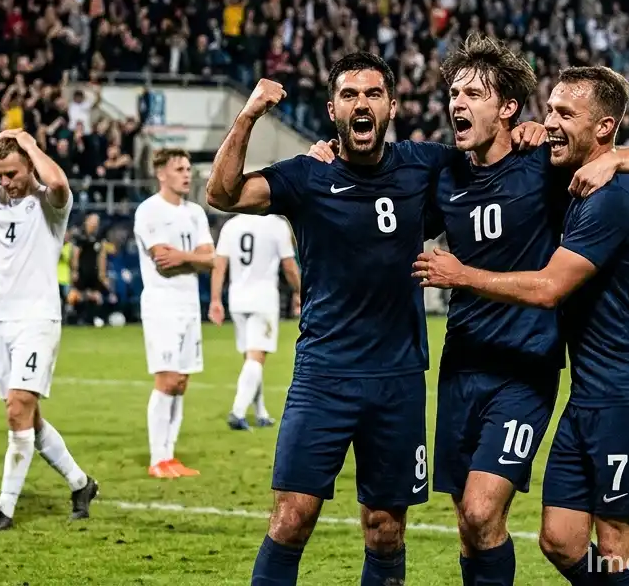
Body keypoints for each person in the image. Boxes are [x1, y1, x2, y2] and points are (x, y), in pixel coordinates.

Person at [206, 52, 485, 585]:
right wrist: (247, 116)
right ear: (333, 108)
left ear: (392, 106)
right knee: (292, 518)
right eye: (350, 95)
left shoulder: (424, 163)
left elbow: (490, 159)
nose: (363, 104)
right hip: (324, 376)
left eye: (374, 94)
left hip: (398, 379)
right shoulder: (307, 175)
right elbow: (222, 193)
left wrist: (528, 133)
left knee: (385, 527)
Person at [416, 65, 629, 585]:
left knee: (618, 544)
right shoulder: (560, 180)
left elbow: (549, 288)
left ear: (602, 127)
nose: (550, 122)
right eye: (550, 109)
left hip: (628, 390)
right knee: (560, 541)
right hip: (582, 389)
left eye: (564, 112)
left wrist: (618, 159)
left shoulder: (608, 194)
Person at [0, 129, 98, 531]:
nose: (6, 182)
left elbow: (58, 181)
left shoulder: (50, 203)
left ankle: (5, 509)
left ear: (29, 166)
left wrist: (31, 146)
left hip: (38, 320)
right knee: (30, 417)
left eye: (13, 173)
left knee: (15, 410)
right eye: (0, 174)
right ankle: (81, 483)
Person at [133, 147, 215, 478]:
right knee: (166, 380)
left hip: (189, 305)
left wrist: (185, 258)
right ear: (161, 173)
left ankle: (169, 456)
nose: (186, 174)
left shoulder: (195, 212)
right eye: (179, 169)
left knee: (181, 382)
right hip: (162, 304)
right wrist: (191, 256)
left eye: (187, 169)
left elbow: (211, 258)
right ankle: (157, 459)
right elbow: (162, 260)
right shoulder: (149, 211)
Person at [208, 212, 300, 431]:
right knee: (256, 359)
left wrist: (215, 300)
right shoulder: (276, 225)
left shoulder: (231, 225)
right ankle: (238, 412)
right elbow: (289, 266)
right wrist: (300, 290)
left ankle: (260, 412)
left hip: (237, 299)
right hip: (263, 298)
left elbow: (219, 265)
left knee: (251, 358)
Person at [68, 212, 111, 325]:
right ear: (87, 221)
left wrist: (102, 273)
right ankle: (79, 318)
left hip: (94, 272)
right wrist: (75, 270)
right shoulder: (80, 236)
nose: (95, 224)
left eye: (97, 221)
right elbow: (75, 254)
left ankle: (94, 319)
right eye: (93, 221)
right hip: (82, 272)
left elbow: (102, 256)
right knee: (79, 295)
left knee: (96, 295)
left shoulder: (99, 237)